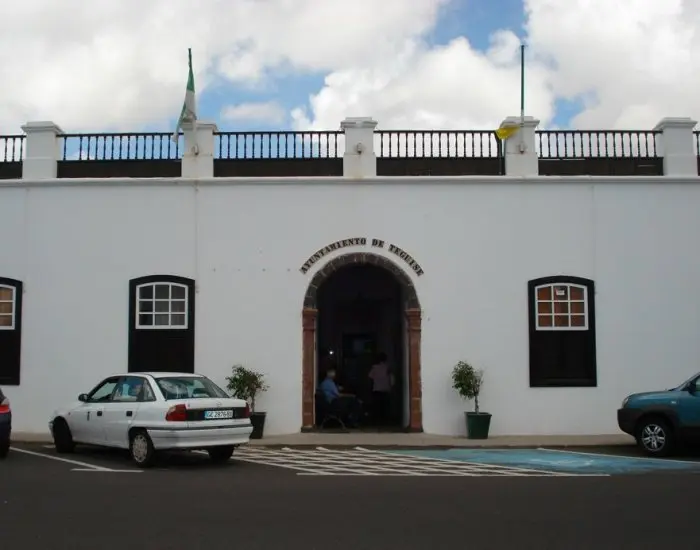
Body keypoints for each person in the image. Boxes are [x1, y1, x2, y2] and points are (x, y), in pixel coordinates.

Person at [368, 352, 393, 425]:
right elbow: (392, 379)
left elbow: (370, 378)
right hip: (386, 389)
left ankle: (377, 420)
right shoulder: (388, 367)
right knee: (385, 407)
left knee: (377, 406)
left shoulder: (374, 367)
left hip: (377, 389)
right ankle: (385, 421)